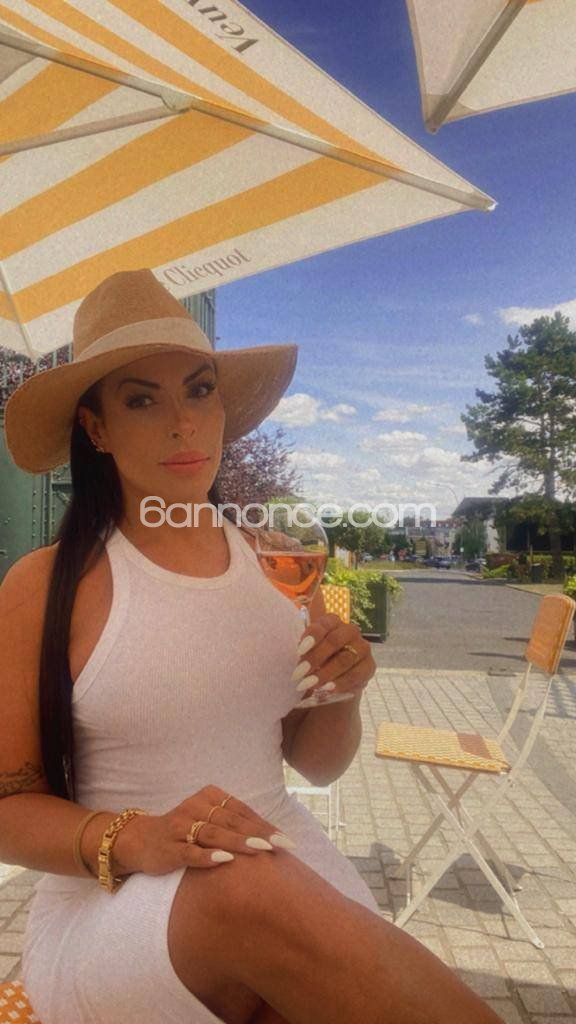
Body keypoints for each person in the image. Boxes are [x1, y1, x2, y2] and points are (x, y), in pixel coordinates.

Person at [0, 269, 503, 1024]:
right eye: (142, 400)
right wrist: (137, 837)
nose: (183, 423)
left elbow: (318, 764)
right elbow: (8, 809)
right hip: (113, 904)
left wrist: (343, 692)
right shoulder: (45, 585)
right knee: (241, 886)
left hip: (281, 870)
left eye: (199, 391)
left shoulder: (280, 562)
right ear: (96, 429)